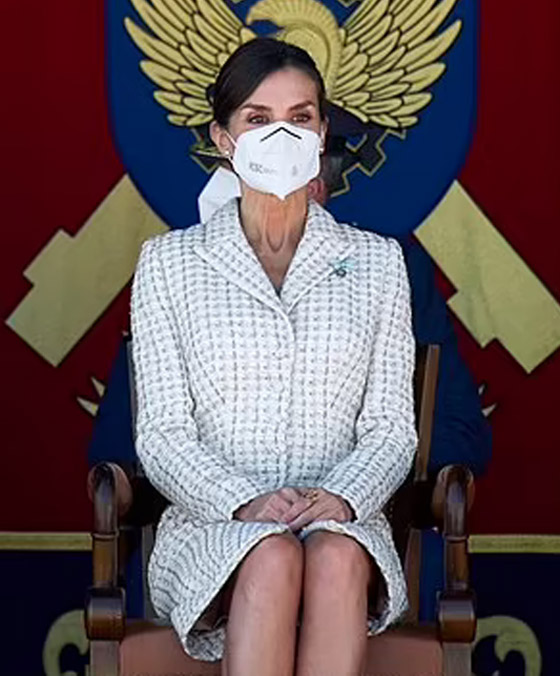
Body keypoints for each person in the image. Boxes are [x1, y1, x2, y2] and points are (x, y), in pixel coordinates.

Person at [129, 37, 418, 675]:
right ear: (224, 138)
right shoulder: (169, 264)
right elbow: (163, 434)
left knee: (334, 554)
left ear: (322, 133)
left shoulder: (377, 263)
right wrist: (245, 504)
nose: (281, 135)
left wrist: (341, 498)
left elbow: (391, 428)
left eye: (300, 117)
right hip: (211, 525)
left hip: (345, 522)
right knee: (273, 553)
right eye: (259, 119)